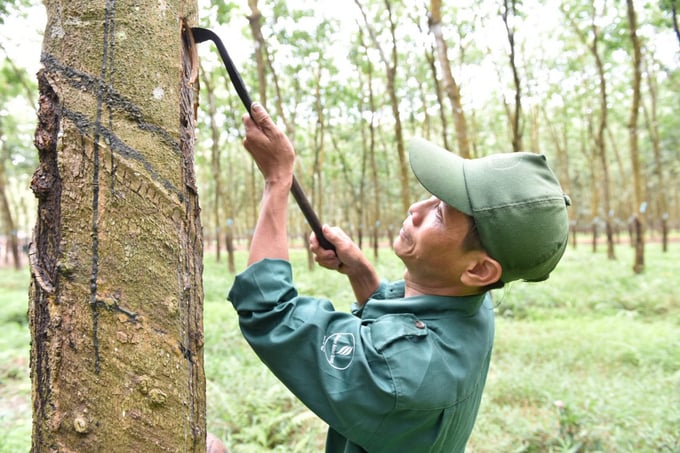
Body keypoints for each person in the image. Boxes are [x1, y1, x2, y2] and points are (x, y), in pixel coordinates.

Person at [227, 102, 571, 452]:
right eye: (433, 197)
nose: (416, 209)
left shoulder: (400, 376)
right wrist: (362, 273)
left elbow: (269, 312)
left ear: (479, 270)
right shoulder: (473, 307)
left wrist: (277, 178)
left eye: (440, 212)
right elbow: (405, 326)